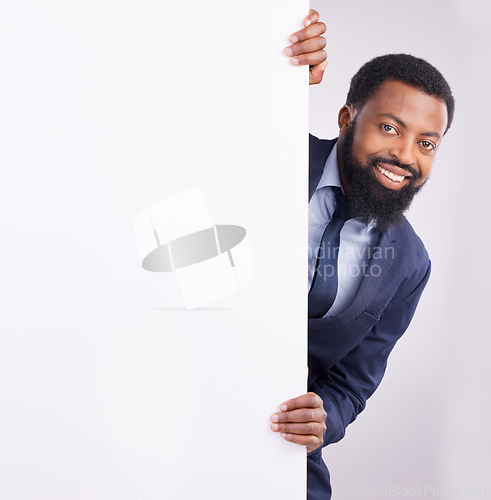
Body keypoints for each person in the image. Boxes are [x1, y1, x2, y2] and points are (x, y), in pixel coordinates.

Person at [269, 10, 454, 499]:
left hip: (274, 439)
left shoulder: (410, 264)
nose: (407, 156)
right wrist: (268, 63)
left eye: (427, 143)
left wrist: (322, 418)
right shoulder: (271, 151)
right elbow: (201, 121)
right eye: (391, 128)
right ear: (347, 118)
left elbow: (352, 385)